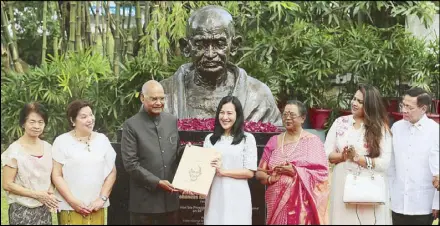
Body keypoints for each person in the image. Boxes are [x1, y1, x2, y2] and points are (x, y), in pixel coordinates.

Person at [159, 5, 282, 126]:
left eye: (219, 43)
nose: (211, 54)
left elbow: (277, 141)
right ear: (186, 47)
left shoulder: (258, 96)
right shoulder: (162, 95)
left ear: (233, 45)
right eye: (201, 44)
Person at [325, 84, 393, 225]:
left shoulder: (380, 128)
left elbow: (384, 163)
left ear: (370, 105)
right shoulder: (340, 123)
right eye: (354, 99)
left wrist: (358, 158)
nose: (354, 103)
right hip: (342, 186)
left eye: (360, 102)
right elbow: (326, 154)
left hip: (369, 189)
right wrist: (344, 156)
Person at [121, 80, 186, 225]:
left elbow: (176, 152)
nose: (159, 103)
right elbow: (131, 164)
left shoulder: (171, 120)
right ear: (142, 98)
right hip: (144, 205)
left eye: (162, 98)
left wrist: (191, 153)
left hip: (170, 202)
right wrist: (156, 182)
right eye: (154, 99)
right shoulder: (131, 125)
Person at [255, 100, 330, 225]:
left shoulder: (313, 142)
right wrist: (270, 179)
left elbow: (322, 174)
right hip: (276, 202)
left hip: (304, 209)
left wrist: (295, 171)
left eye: (292, 115)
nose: (287, 118)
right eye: (285, 115)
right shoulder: (273, 141)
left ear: (303, 118)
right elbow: (260, 172)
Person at [51, 100, 117, 225]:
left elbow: (111, 172)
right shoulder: (62, 141)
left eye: (91, 115)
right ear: (72, 120)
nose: (90, 119)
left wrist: (101, 199)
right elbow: (57, 174)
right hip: (70, 208)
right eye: (84, 116)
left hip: (97, 207)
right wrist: (72, 201)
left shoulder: (102, 140)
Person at [201, 95, 257, 225]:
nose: (225, 117)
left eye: (229, 113)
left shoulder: (247, 139)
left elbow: (249, 172)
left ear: (238, 115)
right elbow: (203, 171)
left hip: (238, 197)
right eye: (221, 112)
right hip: (215, 197)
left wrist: (224, 172)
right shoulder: (210, 139)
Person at [388, 87, 439, 225]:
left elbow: (438, 171)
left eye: (409, 107)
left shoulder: (435, 131)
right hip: (397, 202)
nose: (404, 110)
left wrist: (437, 202)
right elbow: (391, 165)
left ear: (423, 109)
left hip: (423, 205)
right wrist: (389, 194)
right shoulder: (396, 128)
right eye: (403, 105)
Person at [1, 102, 57, 225]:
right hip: (21, 209)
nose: (36, 126)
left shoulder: (48, 148)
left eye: (40, 122)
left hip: (43, 209)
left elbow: (50, 178)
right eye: (32, 122)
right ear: (23, 123)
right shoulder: (14, 151)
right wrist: (36, 194)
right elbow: (7, 184)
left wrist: (50, 193)